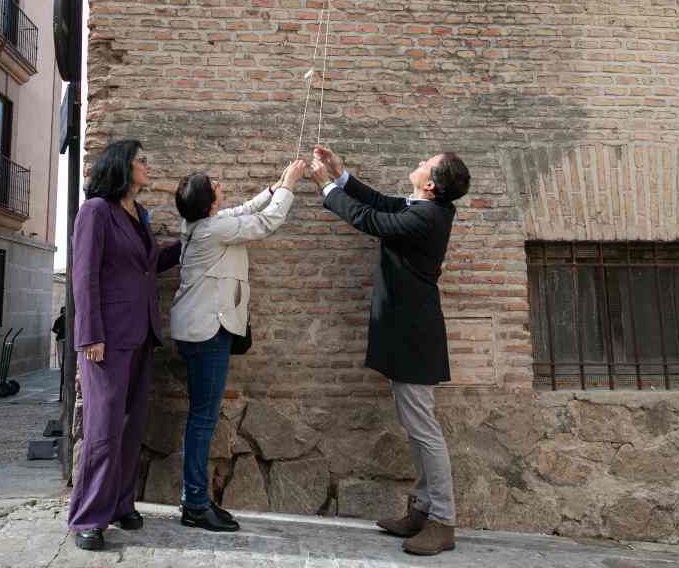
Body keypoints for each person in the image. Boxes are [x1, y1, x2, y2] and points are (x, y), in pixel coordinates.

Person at [309, 144, 470, 557]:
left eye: (424, 164)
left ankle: (443, 521)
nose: (417, 163)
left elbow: (369, 219)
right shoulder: (425, 208)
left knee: (424, 431)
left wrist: (327, 189)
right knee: (417, 428)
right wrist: (341, 175)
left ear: (431, 185)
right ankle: (422, 509)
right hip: (409, 332)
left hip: (414, 336)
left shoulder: (426, 216)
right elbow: (380, 202)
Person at [170, 159, 307, 532]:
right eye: (213, 182)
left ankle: (194, 501)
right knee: (203, 419)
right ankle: (195, 503)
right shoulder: (213, 230)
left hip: (200, 331)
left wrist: (276, 186)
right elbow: (264, 223)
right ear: (208, 201)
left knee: (201, 418)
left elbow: (243, 211)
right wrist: (291, 186)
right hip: (206, 334)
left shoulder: (204, 223)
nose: (219, 183)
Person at [68, 139, 181, 552]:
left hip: (142, 333)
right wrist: (90, 334)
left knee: (132, 426)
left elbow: (149, 266)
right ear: (122, 167)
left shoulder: (138, 214)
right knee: (103, 428)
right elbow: (84, 276)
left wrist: (195, 239)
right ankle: (89, 517)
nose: (146, 166)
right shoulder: (96, 211)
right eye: (140, 161)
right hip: (107, 338)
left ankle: (120, 503)